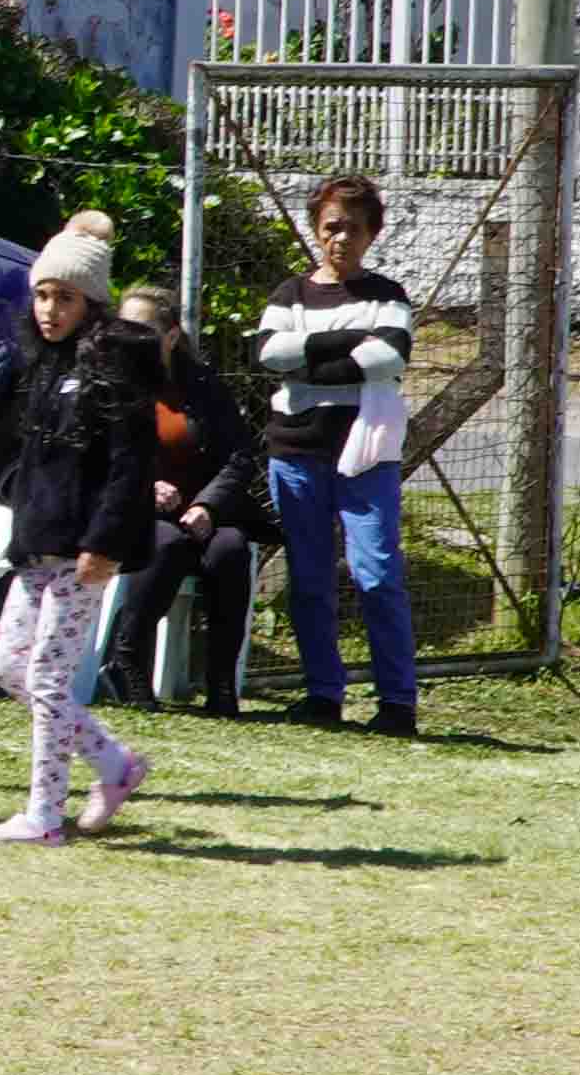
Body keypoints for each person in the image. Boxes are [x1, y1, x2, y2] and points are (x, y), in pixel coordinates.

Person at [0, 214, 164, 844]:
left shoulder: (116, 363)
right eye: (42, 295)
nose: (49, 310)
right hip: (40, 544)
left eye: (65, 298)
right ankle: (114, 763)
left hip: (83, 550)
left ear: (92, 302)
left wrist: (104, 542)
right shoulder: (44, 361)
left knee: (49, 679)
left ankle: (44, 814)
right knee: (8, 666)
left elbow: (130, 462)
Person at [249, 174, 424, 734]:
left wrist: (308, 366)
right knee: (309, 579)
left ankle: (397, 702)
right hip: (295, 452)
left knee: (378, 575)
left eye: (354, 228)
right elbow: (268, 354)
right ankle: (322, 694)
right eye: (331, 227)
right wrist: (349, 342)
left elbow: (390, 356)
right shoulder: (289, 294)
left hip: (367, 454)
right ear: (315, 229)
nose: (341, 238)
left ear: (372, 233)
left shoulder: (388, 295)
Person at [92, 280, 263, 718]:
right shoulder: (107, 383)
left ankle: (221, 682)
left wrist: (207, 505)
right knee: (165, 544)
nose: (130, 339)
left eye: (143, 330)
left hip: (202, 511)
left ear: (170, 336)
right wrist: (144, 487)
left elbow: (241, 455)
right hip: (135, 511)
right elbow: (95, 456)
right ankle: (127, 661)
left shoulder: (203, 386)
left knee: (229, 549)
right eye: (123, 328)